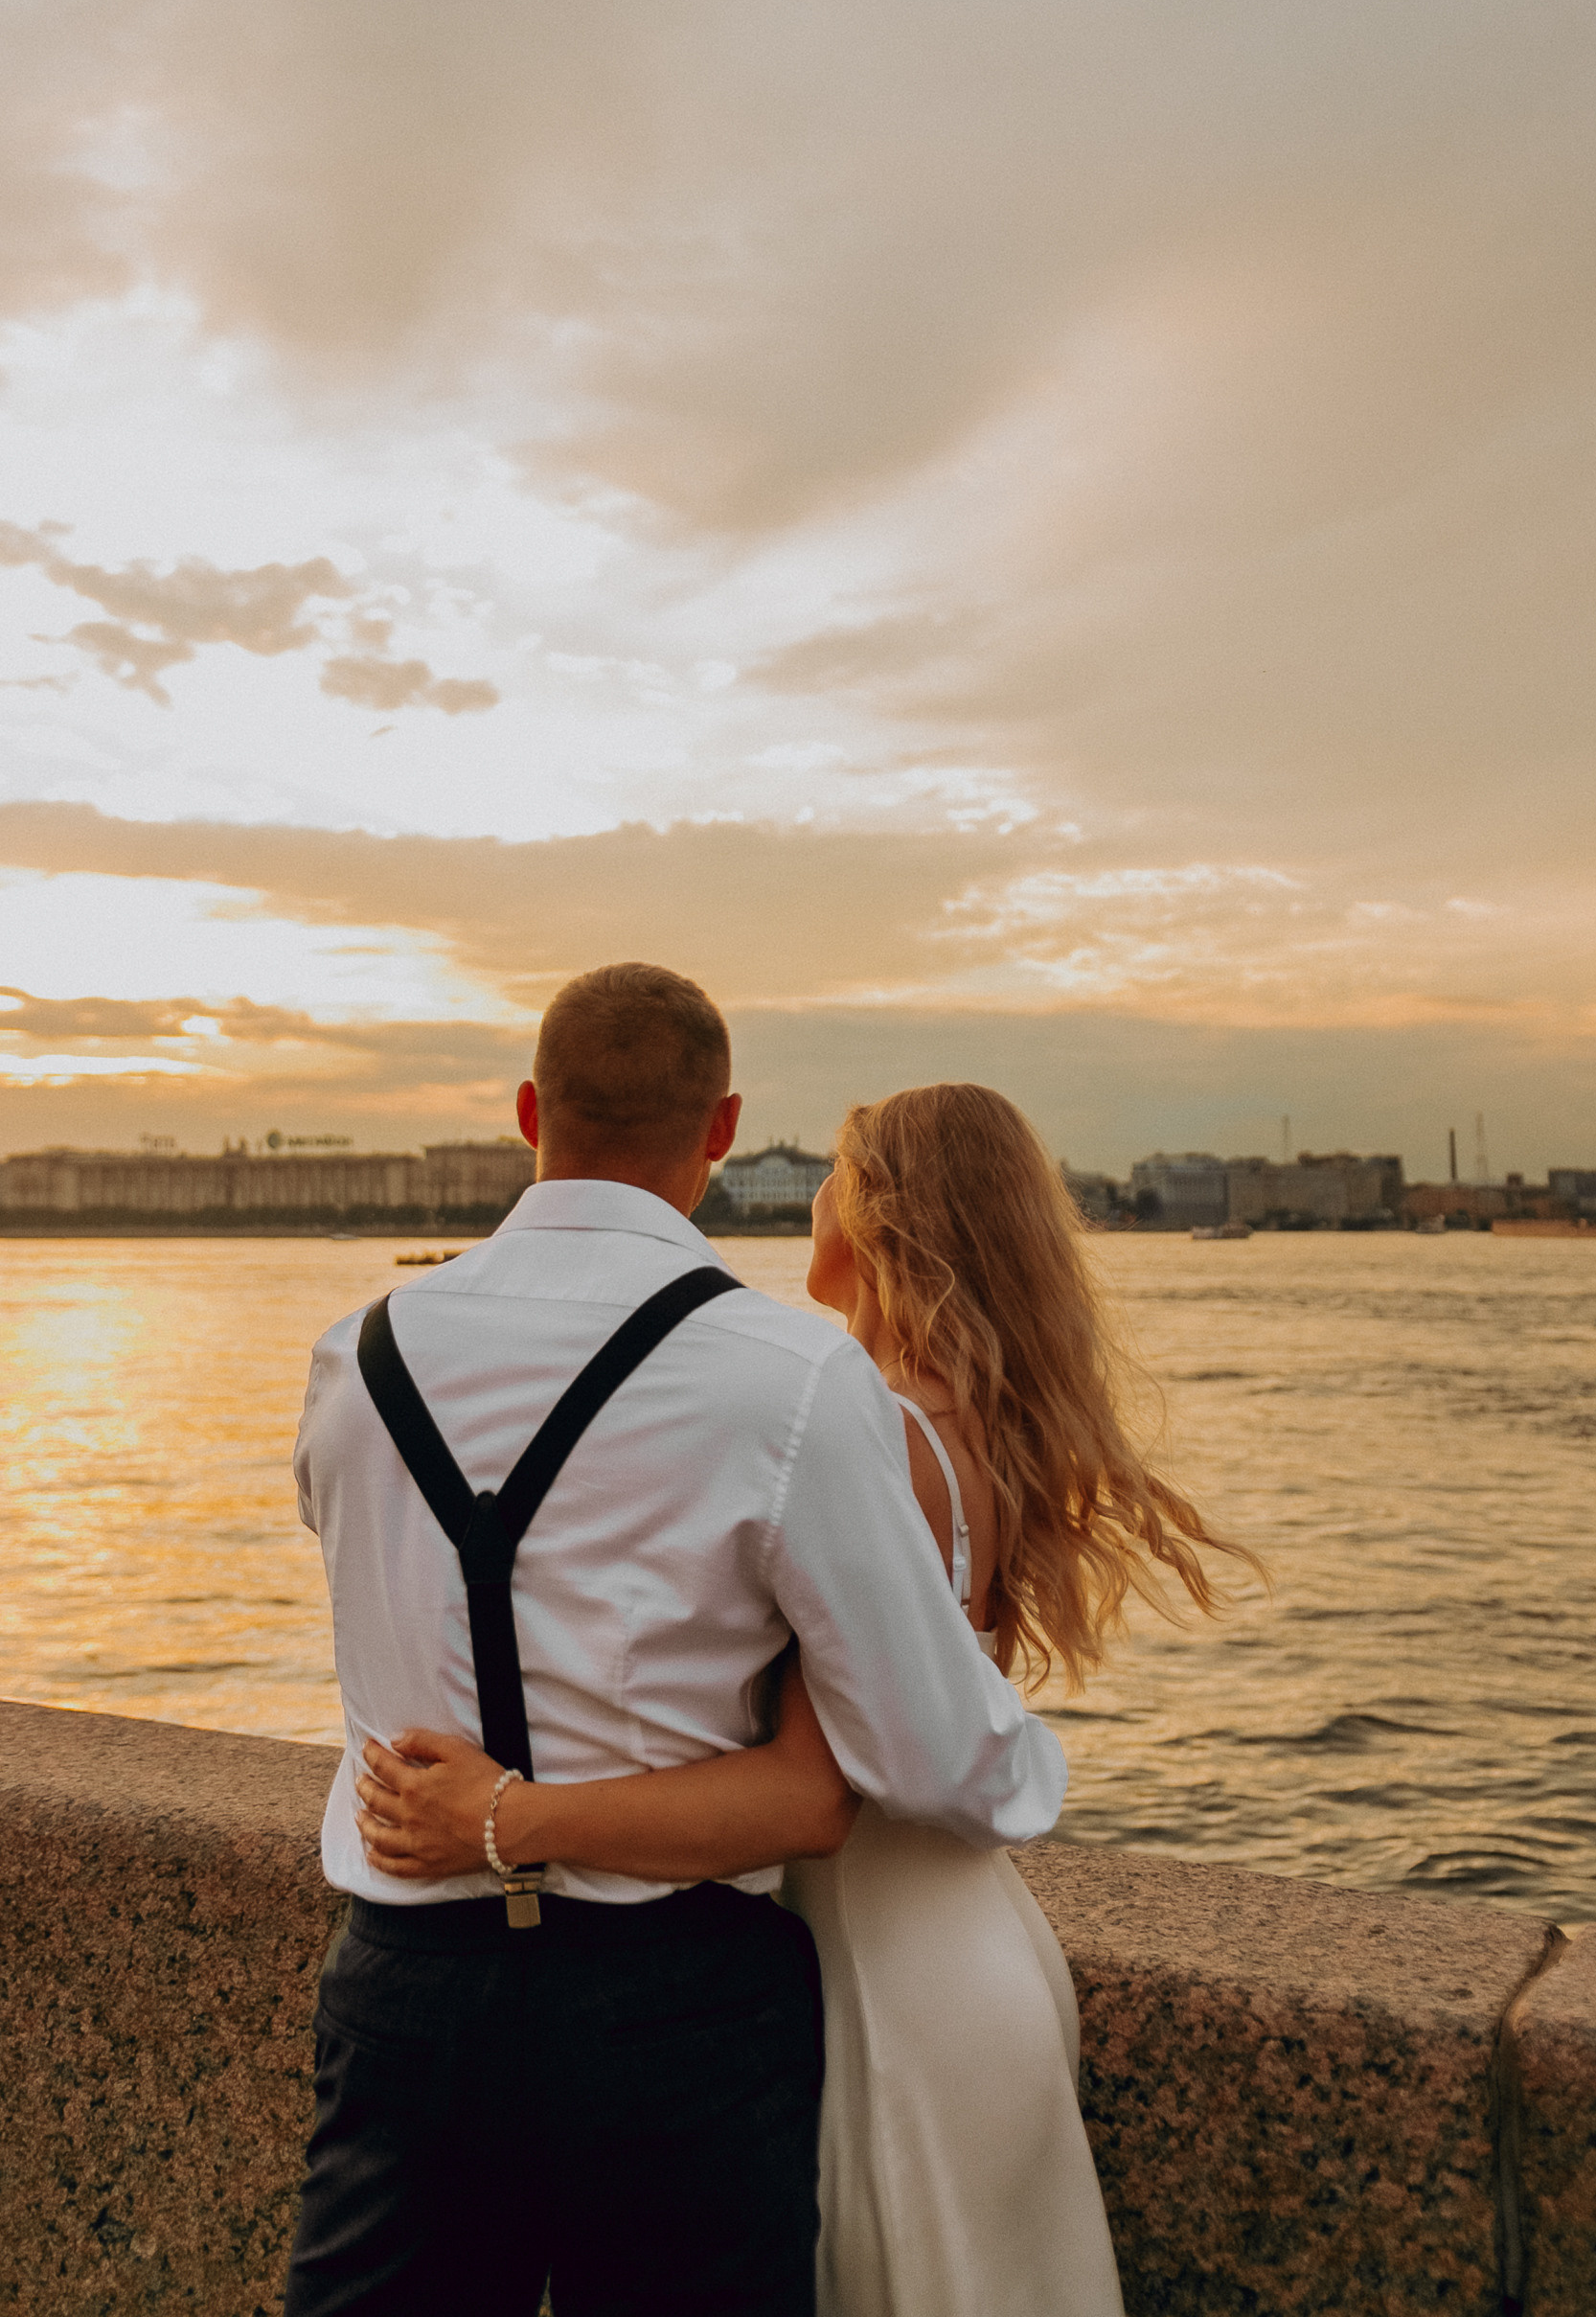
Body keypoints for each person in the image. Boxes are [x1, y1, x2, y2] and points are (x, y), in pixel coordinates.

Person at [359, 1081, 1253, 2317]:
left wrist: (506, 1816)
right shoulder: (971, 1427)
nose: (814, 1198)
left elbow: (809, 1787)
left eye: (836, 1174)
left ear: (882, 1218)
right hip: (966, 1941)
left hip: (879, 1972)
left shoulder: (876, 1428)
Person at [285, 974, 1067, 2317]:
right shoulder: (791, 1378)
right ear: (722, 1131)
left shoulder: (355, 1360)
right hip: (675, 2014)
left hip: (410, 1998)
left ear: (531, 1111)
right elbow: (938, 1762)